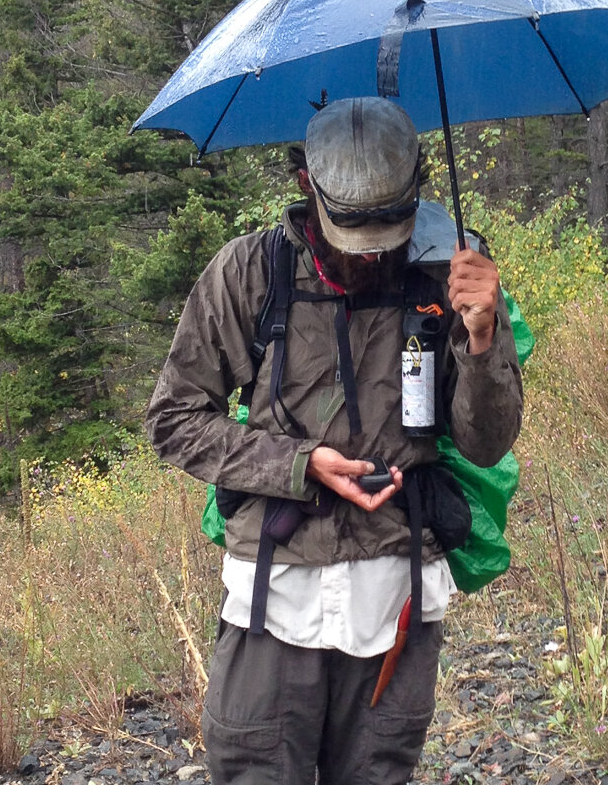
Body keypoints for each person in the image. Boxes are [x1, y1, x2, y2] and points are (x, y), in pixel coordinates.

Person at [145, 96, 523, 785]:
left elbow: (487, 445)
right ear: (305, 186)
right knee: (253, 769)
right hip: (275, 591)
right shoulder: (249, 274)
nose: (373, 252)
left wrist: (481, 336)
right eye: (356, 231)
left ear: (417, 189)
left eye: (389, 228)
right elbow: (173, 420)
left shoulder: (452, 276)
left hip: (398, 587)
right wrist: (299, 464)